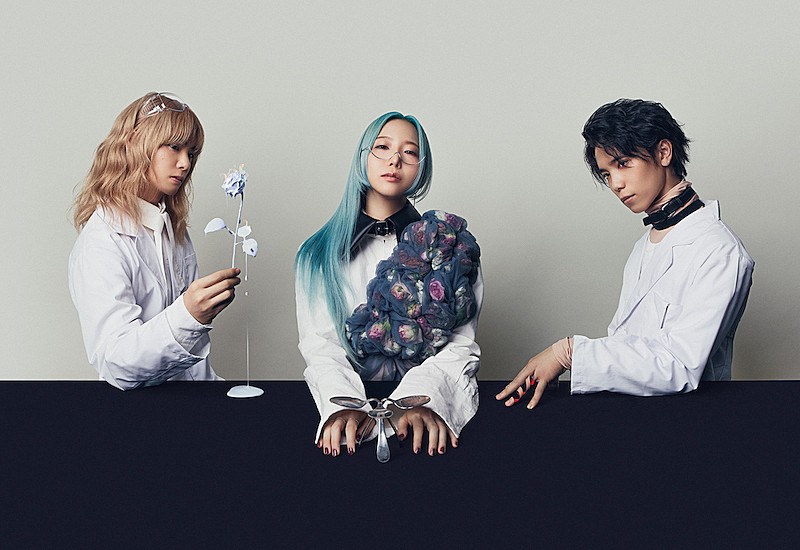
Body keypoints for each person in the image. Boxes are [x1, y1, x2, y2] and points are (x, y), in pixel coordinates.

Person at [497, 98, 754, 409]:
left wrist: (570, 353)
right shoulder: (645, 244)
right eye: (606, 174)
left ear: (663, 152)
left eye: (622, 163)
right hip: (629, 414)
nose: (616, 184)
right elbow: (626, 346)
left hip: (689, 420)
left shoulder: (720, 251)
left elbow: (680, 367)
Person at [295, 112, 483, 457]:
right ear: (363, 156)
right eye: (382, 147)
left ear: (421, 167)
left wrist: (420, 400)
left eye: (410, 152)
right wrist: (342, 405)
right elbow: (320, 345)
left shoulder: (451, 246)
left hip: (426, 410)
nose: (395, 159)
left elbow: (461, 342)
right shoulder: (316, 254)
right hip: (348, 415)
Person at [69, 92, 241, 390]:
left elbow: (194, 361)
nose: (185, 163)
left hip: (193, 402)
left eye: (191, 153)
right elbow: (116, 363)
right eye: (174, 147)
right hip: (138, 411)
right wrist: (189, 314)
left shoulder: (172, 229)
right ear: (136, 144)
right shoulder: (102, 242)